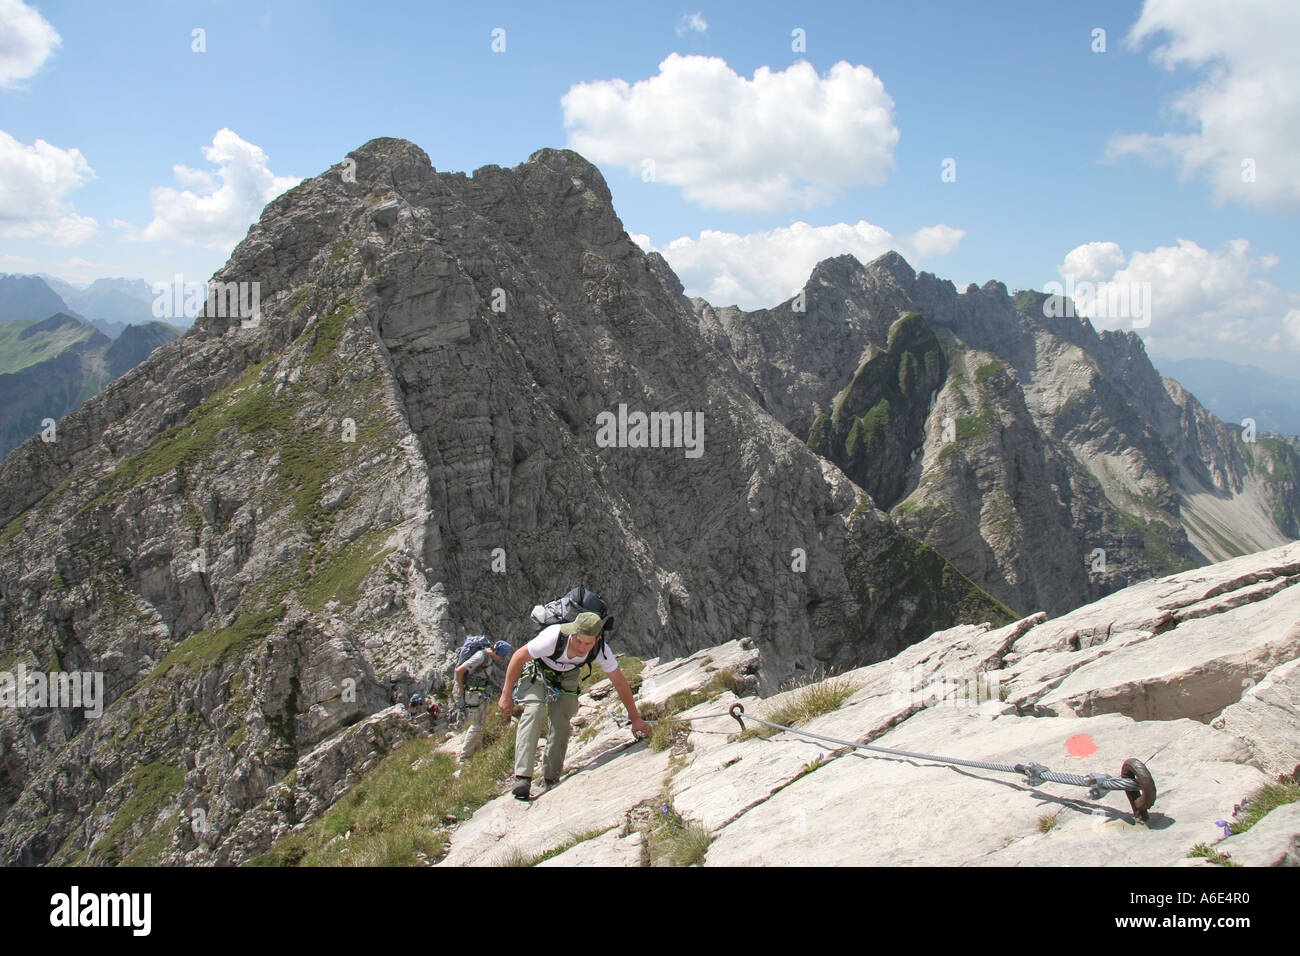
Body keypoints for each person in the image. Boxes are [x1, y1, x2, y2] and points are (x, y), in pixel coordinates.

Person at [497, 611, 648, 801]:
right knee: (534, 710)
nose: (582, 647)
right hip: (538, 669)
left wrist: (635, 719)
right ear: (572, 633)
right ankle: (522, 778)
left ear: (597, 638)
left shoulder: (601, 650)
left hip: (567, 675)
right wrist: (506, 694)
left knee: (562, 721)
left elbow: (619, 682)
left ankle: (551, 777)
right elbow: (519, 656)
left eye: (588, 643)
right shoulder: (552, 637)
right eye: (578, 641)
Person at [455, 639, 512, 761]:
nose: (501, 660)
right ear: (497, 653)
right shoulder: (481, 656)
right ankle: (464, 757)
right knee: (476, 725)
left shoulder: (487, 657)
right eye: (502, 656)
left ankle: (477, 751)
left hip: (480, 693)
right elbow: (459, 671)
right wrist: (460, 688)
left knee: (480, 724)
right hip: (473, 693)